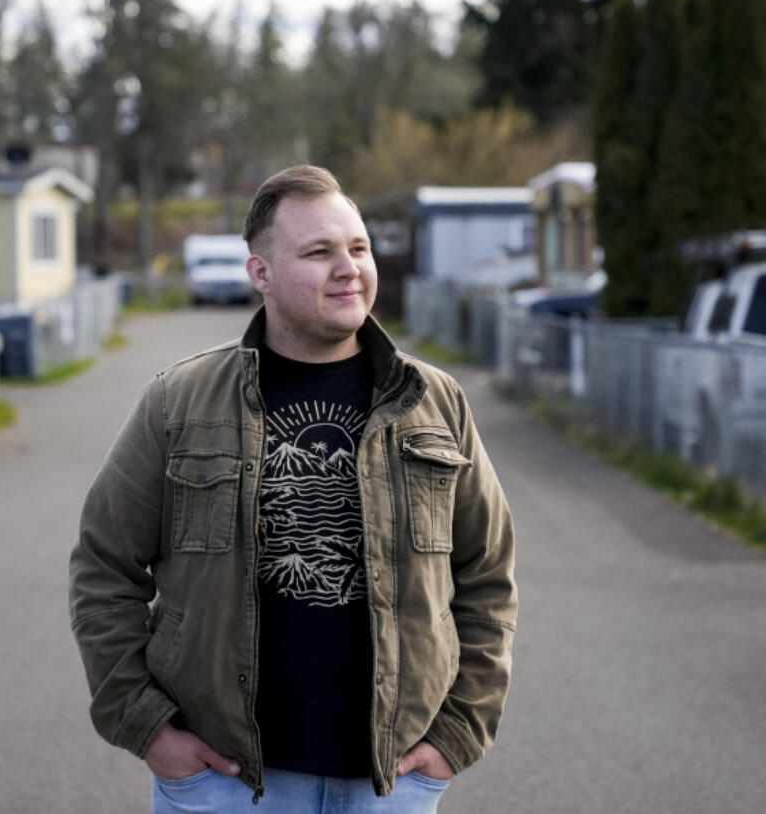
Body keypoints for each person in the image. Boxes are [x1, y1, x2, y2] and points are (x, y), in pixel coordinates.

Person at [68, 165, 517, 813]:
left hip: (392, 780)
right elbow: (103, 565)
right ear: (261, 274)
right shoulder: (179, 402)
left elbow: (488, 572)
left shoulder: (434, 401)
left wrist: (458, 730)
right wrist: (148, 728)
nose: (348, 268)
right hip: (224, 779)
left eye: (358, 248)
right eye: (318, 252)